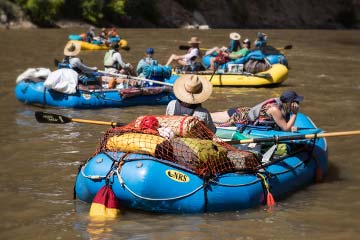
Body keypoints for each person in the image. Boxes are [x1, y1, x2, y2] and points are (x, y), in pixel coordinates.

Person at [211, 90, 304, 132]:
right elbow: (285, 129)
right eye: (295, 101)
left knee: (211, 116)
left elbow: (282, 124)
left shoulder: (282, 105)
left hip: (246, 111)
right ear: (288, 102)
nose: (297, 103)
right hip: (241, 116)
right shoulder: (275, 109)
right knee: (209, 120)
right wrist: (295, 114)